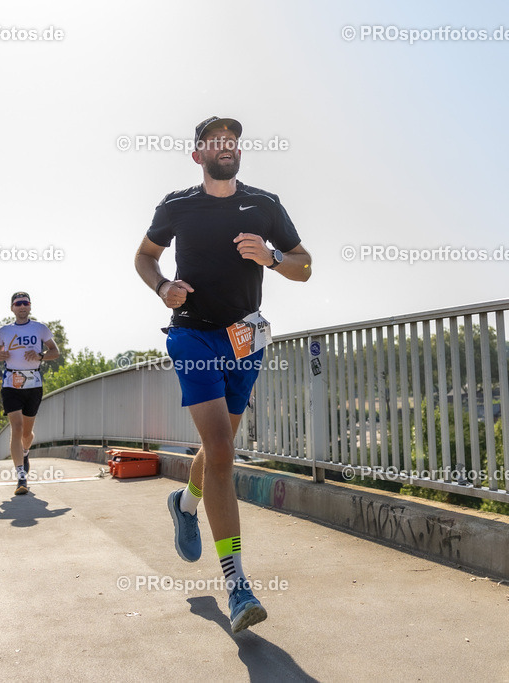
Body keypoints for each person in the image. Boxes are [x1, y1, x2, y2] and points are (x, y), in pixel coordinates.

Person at [134, 116, 312, 633]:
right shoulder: (177, 205)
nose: (225, 146)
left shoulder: (265, 205)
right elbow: (144, 257)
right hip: (193, 335)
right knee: (221, 451)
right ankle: (237, 585)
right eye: (214, 140)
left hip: (245, 339)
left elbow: (305, 265)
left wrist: (273, 257)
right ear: (198, 155)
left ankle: (184, 503)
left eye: (231, 140)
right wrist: (162, 285)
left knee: (220, 449)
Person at [0, 291, 60, 495]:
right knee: (16, 427)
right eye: (18, 303)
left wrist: (40, 355)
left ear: (30, 306)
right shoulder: (4, 331)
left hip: (33, 384)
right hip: (11, 383)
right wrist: (0, 355)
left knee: (27, 433)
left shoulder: (40, 328)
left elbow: (55, 352)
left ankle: (25, 452)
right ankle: (20, 475)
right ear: (12, 308)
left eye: (25, 303)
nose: (22, 306)